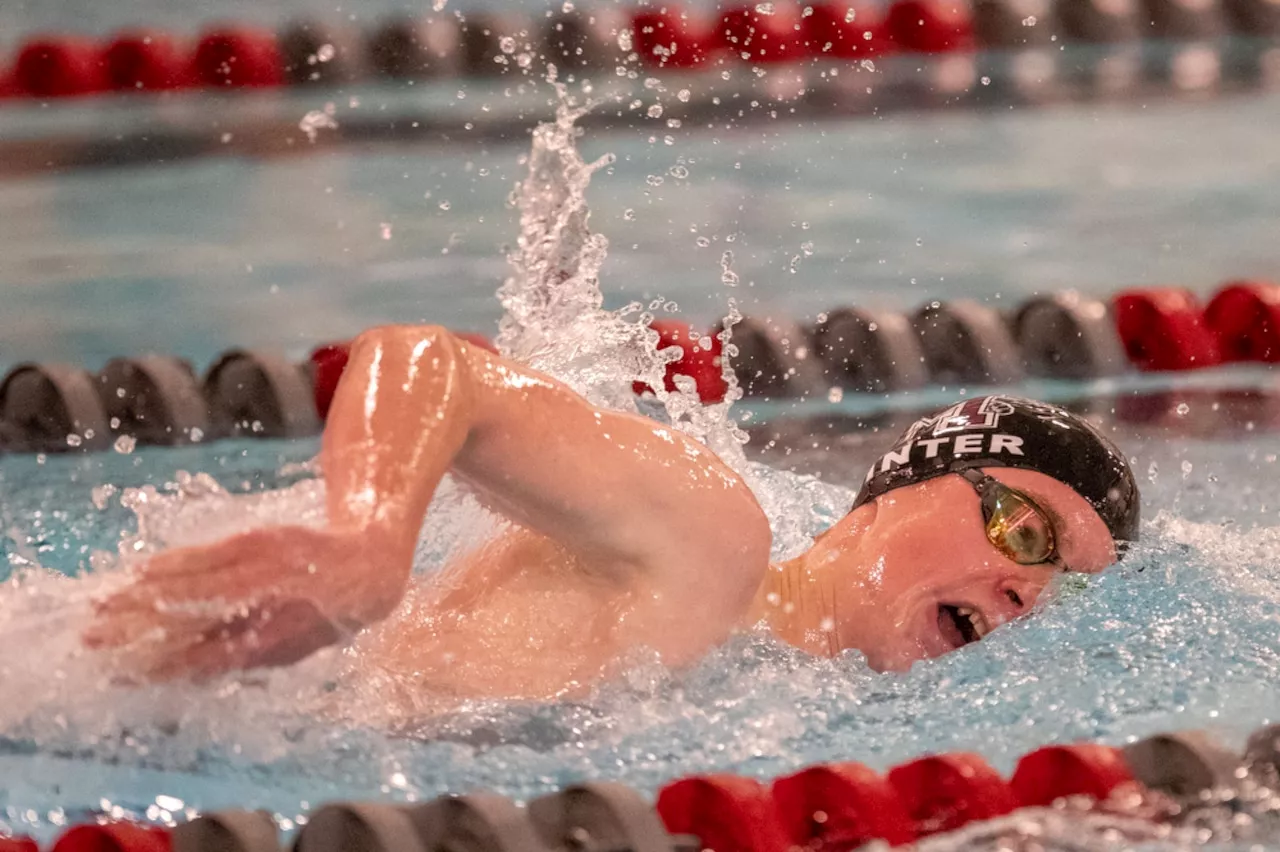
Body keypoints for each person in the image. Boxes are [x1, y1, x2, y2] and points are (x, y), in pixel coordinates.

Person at [83, 325, 1139, 704]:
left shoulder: (782, 687)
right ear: (899, 489)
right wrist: (366, 539)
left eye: (1059, 582)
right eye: (1025, 534)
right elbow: (430, 362)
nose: (1025, 590)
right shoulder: (713, 544)